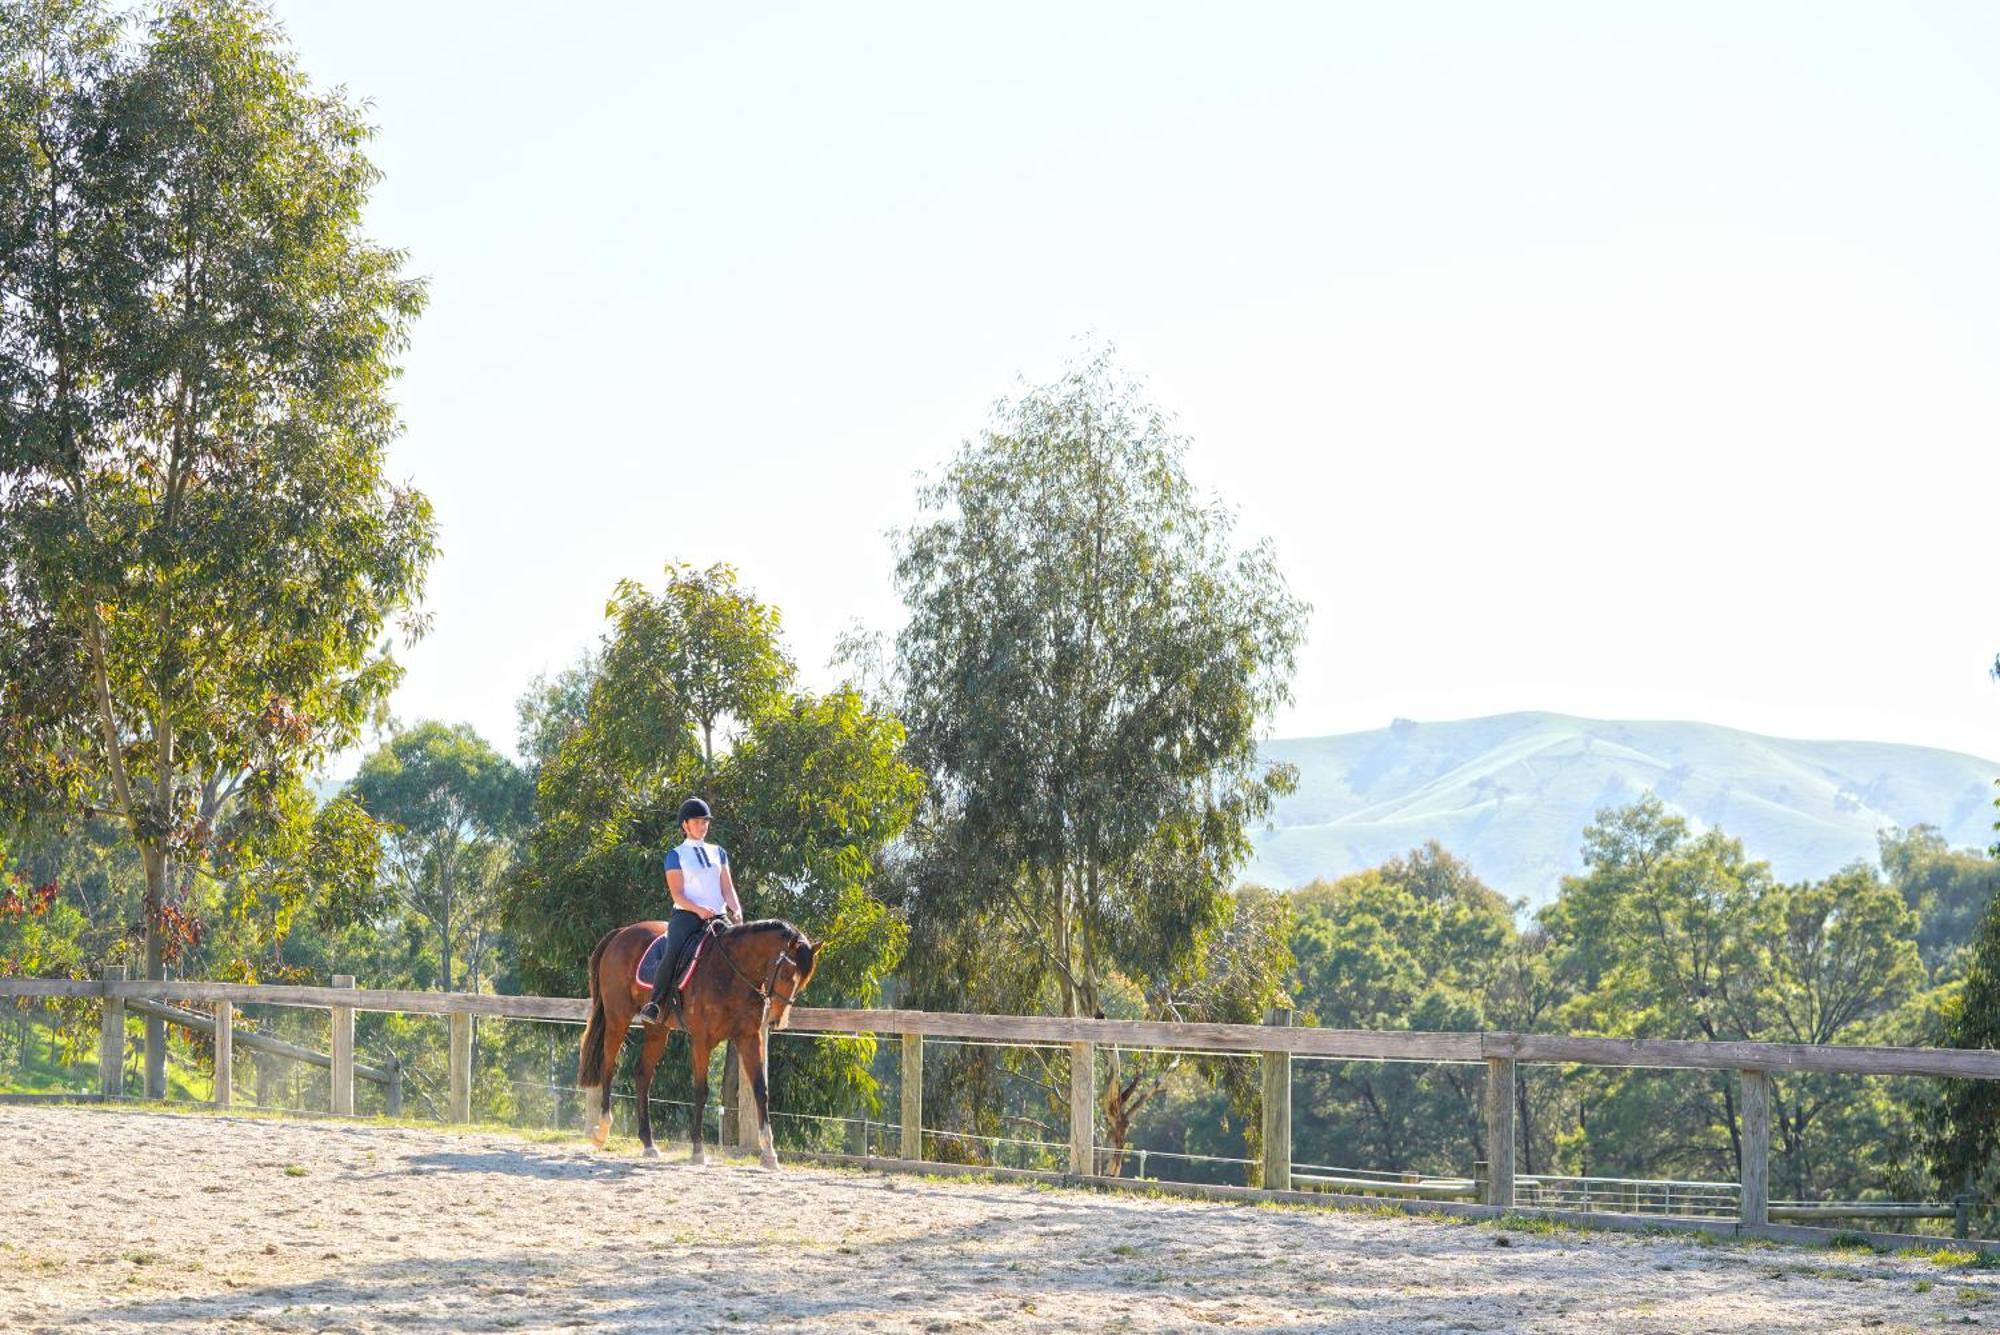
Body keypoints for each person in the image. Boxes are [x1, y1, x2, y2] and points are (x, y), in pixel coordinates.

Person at [637, 797, 743, 1025]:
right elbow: (677, 894)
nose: (703, 826)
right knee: (672, 951)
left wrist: (736, 909)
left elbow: (727, 887)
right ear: (685, 825)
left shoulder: (718, 852)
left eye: (706, 822)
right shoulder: (675, 855)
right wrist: (698, 909)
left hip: (718, 917)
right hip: (687, 916)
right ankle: (655, 1002)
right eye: (698, 822)